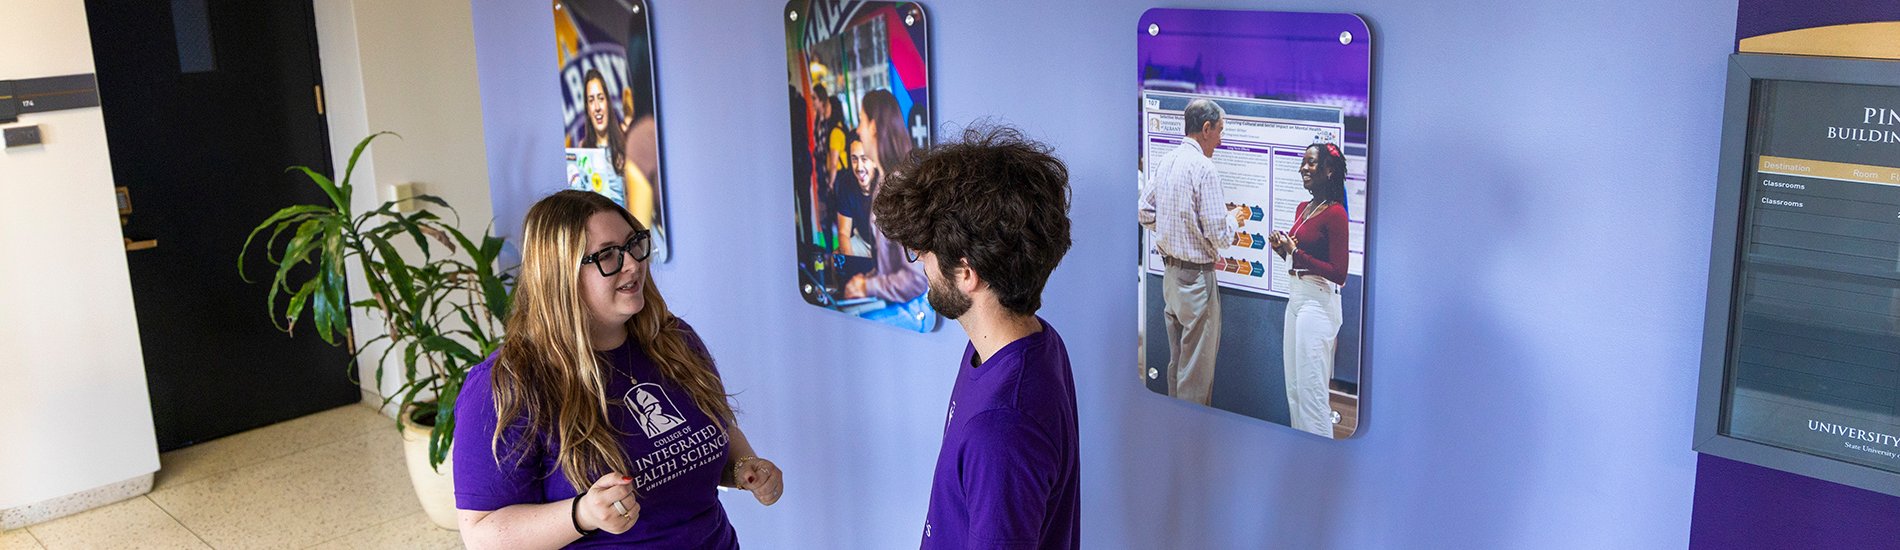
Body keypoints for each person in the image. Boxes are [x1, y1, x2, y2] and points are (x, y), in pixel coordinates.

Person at [453, 190, 784, 548]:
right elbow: (482, 535)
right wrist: (582, 513)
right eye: (608, 255)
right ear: (559, 275)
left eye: (633, 244)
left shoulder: (672, 340)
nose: (632, 264)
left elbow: (714, 426)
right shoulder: (504, 385)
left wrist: (743, 466)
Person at [873, 124, 1080, 549]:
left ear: (966, 274)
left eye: (924, 252)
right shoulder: (1033, 344)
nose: (923, 266)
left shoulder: (1002, 430)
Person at [1137, 98, 1249, 406]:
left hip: (1170, 277)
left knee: (1177, 365)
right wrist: (1234, 219)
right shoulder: (1204, 169)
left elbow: (1144, 211)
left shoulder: (1167, 160)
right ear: (1207, 128)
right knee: (1196, 375)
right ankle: (1193, 444)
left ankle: (1175, 436)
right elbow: (1219, 234)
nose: (1221, 139)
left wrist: (1176, 226)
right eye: (1220, 131)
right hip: (1198, 281)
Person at [1268, 142, 1350, 438]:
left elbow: (1339, 273)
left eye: (1311, 163)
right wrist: (1283, 250)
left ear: (1329, 171)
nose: (1303, 167)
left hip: (1318, 303)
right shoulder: (1304, 208)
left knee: (1312, 392)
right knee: (1294, 390)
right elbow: (1299, 259)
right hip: (1297, 297)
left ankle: (1322, 465)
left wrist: (1296, 253)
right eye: (1303, 162)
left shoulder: (1336, 214)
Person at [840, 89, 933, 330]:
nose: (858, 130)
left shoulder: (898, 186)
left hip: (916, 308)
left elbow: (916, 278)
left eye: (861, 121)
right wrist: (866, 280)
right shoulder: (883, 184)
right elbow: (890, 267)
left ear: (873, 126)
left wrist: (866, 287)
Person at [833, 133, 872, 256]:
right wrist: (851, 263)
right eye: (854, 159)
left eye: (864, 158)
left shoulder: (886, 182)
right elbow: (843, 233)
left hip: (887, 248)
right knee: (836, 259)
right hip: (862, 241)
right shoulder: (846, 183)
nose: (859, 167)